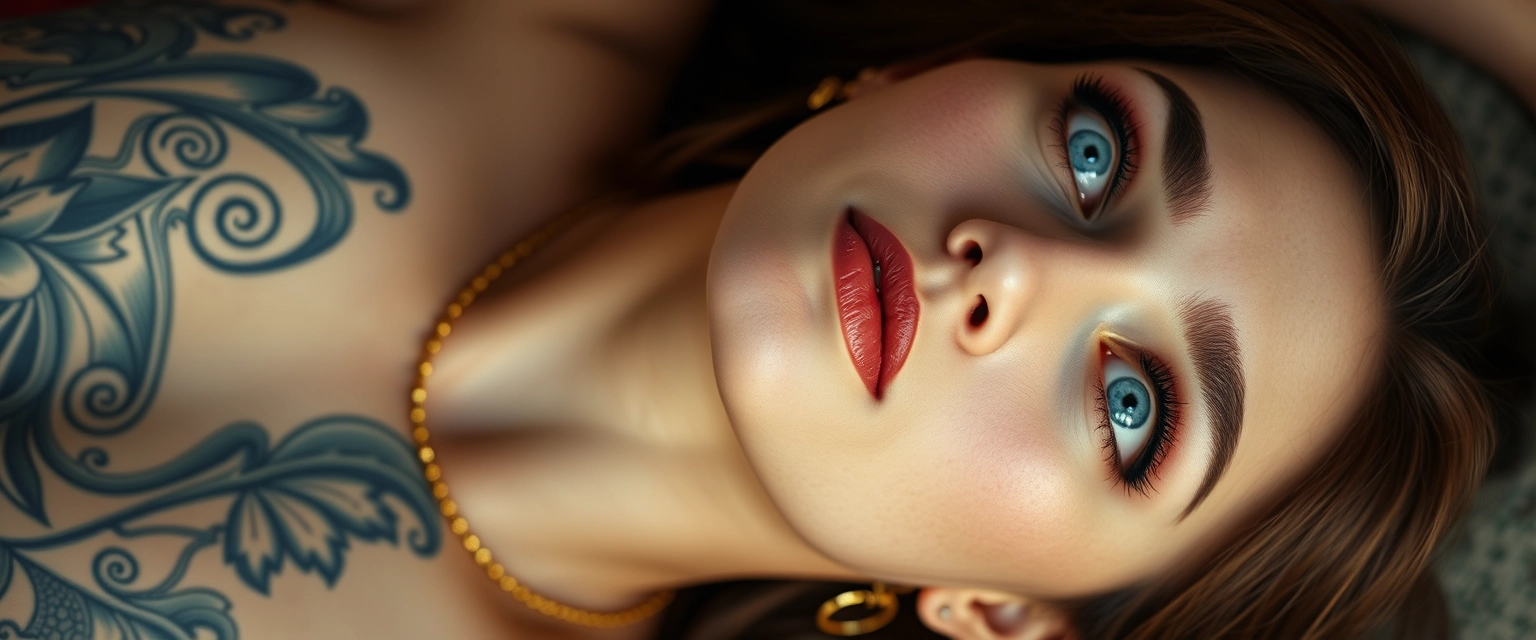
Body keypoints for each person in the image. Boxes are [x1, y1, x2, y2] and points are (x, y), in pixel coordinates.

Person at [0, 1, 1526, 639]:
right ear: (928, 71)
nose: (1018, 269)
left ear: (1000, 617)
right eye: (1094, 153)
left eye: (1135, 407)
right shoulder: (541, 31)